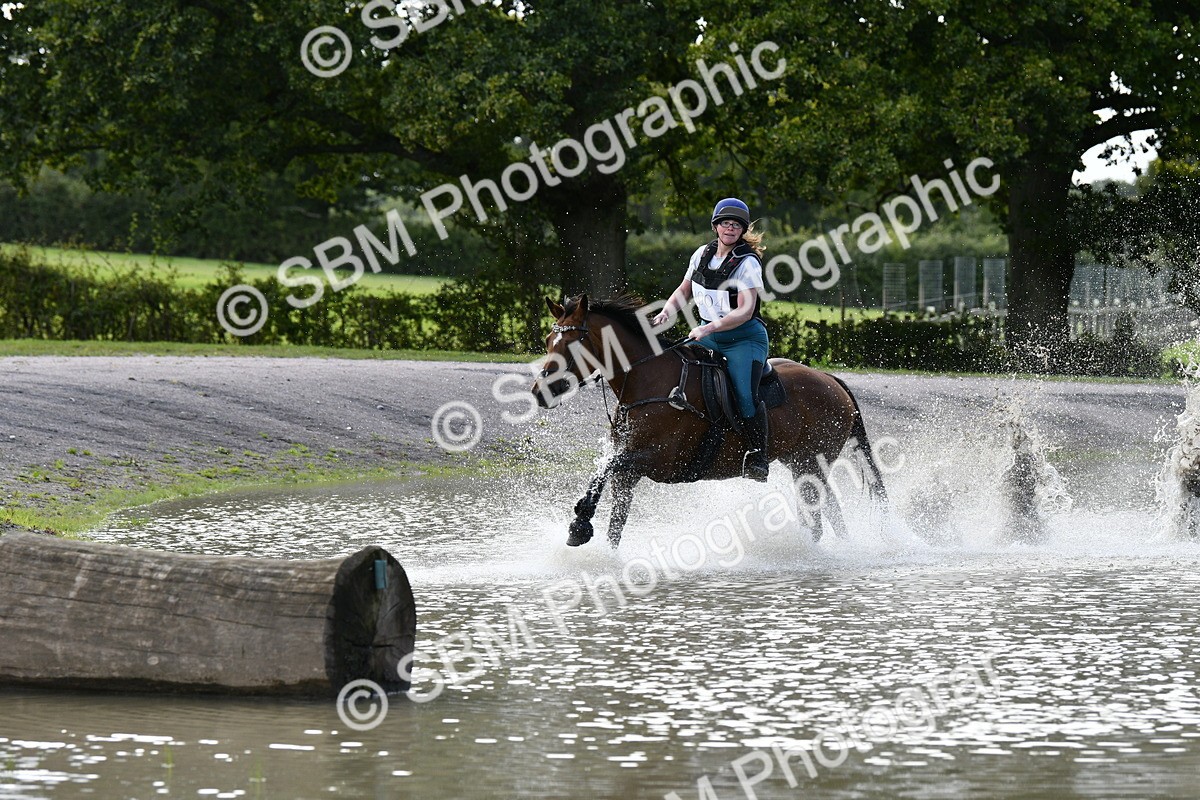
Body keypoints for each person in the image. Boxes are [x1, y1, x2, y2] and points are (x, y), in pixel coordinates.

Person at [652, 197, 771, 481]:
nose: (730, 228)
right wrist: (666, 313)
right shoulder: (701, 255)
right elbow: (684, 290)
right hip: (708, 334)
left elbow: (745, 310)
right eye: (725, 223)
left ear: (742, 230)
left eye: (736, 225)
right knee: (675, 373)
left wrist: (707, 328)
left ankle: (758, 457)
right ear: (716, 226)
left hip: (744, 338)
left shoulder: (747, 263)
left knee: (745, 395)